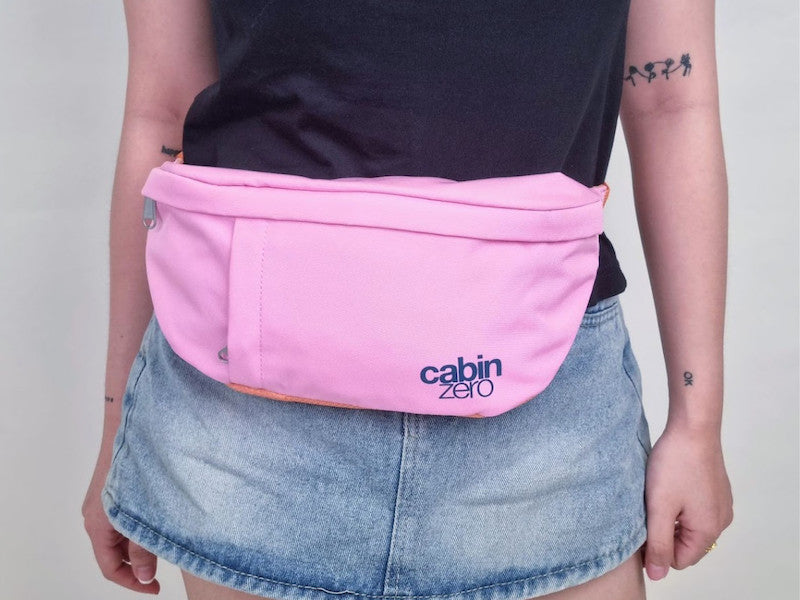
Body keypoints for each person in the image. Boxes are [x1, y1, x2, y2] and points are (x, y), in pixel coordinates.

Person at [82, 0, 734, 598]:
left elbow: (670, 101)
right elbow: (164, 109)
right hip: (245, 425)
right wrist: (120, 431)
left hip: (545, 417)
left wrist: (698, 424)